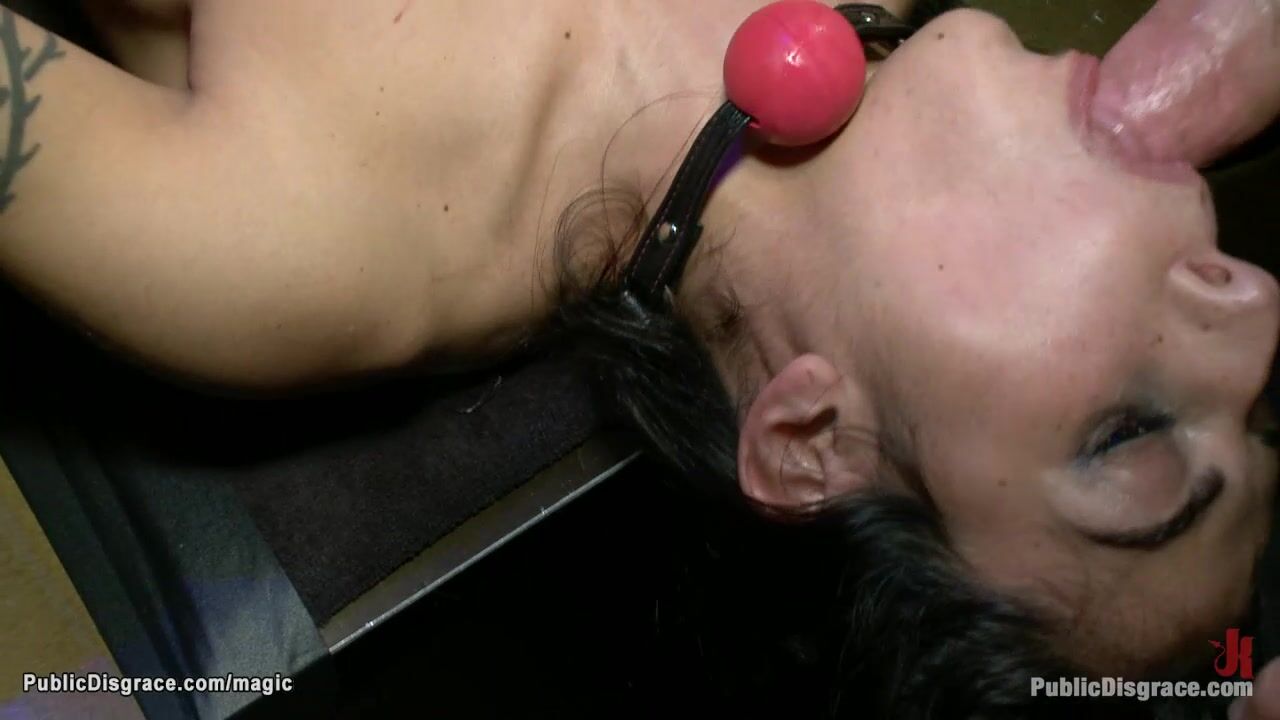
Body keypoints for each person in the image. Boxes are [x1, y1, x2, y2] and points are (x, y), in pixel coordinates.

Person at [2, 0, 1280, 716]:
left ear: (809, 439)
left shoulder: (293, 245)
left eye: (1131, 436)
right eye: (1259, 411)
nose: (1256, 298)